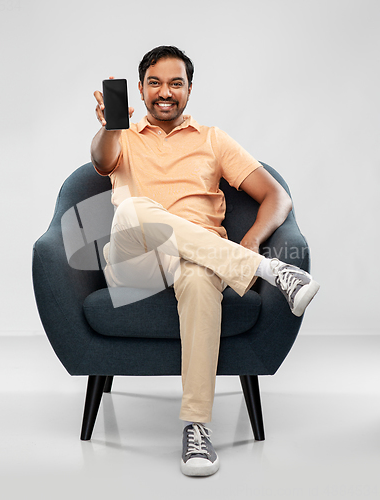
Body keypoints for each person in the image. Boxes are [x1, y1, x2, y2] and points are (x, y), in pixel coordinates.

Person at [90, 46, 319, 477]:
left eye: (176, 83)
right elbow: (102, 161)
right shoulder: (121, 134)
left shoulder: (213, 139)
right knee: (131, 210)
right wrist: (107, 128)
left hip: (198, 260)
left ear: (189, 90)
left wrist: (251, 240)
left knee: (198, 278)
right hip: (133, 264)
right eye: (155, 82)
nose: (165, 92)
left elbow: (277, 196)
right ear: (139, 90)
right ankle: (271, 272)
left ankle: (196, 430)